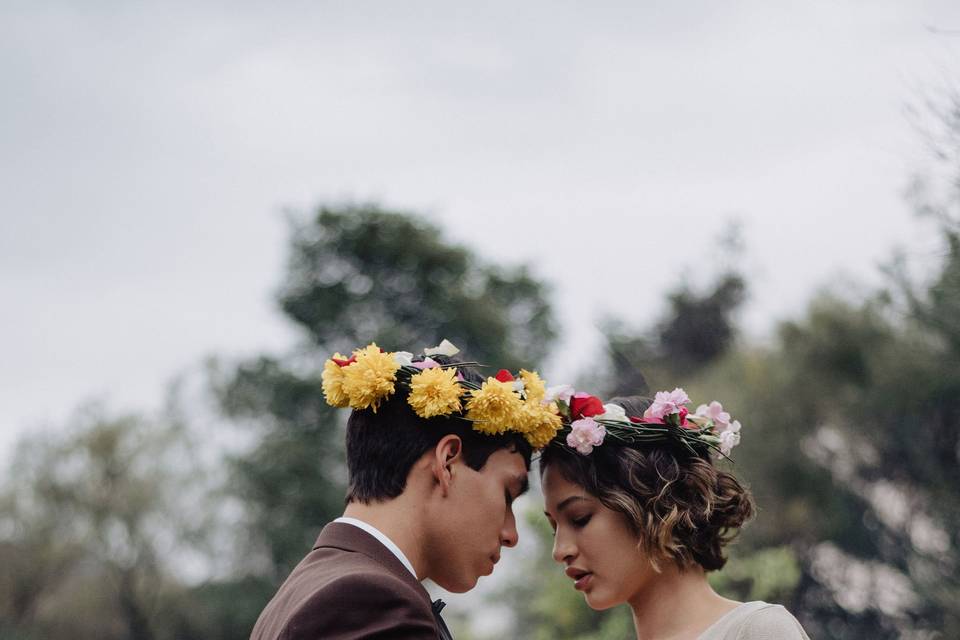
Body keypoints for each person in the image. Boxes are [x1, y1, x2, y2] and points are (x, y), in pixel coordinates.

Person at [250, 340, 563, 640]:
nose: (511, 535)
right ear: (448, 462)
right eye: (507, 494)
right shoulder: (369, 602)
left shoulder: (311, 588)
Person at [540, 388, 811, 640]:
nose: (559, 550)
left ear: (655, 500)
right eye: (555, 527)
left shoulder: (756, 632)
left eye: (579, 518)